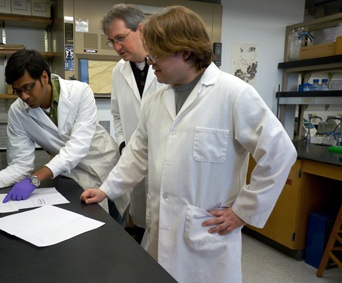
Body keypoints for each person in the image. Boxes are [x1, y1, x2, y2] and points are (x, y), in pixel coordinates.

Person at [81, 6, 297, 283]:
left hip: (208, 235)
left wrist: (244, 211)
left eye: (156, 54)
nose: (150, 60)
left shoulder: (233, 94)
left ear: (184, 52)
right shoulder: (157, 100)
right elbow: (137, 153)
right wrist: (106, 189)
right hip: (160, 230)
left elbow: (280, 153)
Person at [0, 49, 128, 218]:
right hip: (75, 175)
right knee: (99, 228)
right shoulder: (17, 112)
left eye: (27, 87)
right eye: (17, 91)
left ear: (44, 77)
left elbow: (77, 148)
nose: (24, 96)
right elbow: (20, 165)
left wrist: (35, 180)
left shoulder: (80, 92)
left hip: (107, 164)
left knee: (119, 222)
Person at [101, 3, 163, 241]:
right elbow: (116, 113)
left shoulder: (166, 66)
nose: (117, 47)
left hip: (162, 158)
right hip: (134, 158)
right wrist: (123, 142)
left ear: (141, 29)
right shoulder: (119, 71)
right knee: (139, 219)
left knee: (161, 224)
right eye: (112, 41)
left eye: (120, 38)